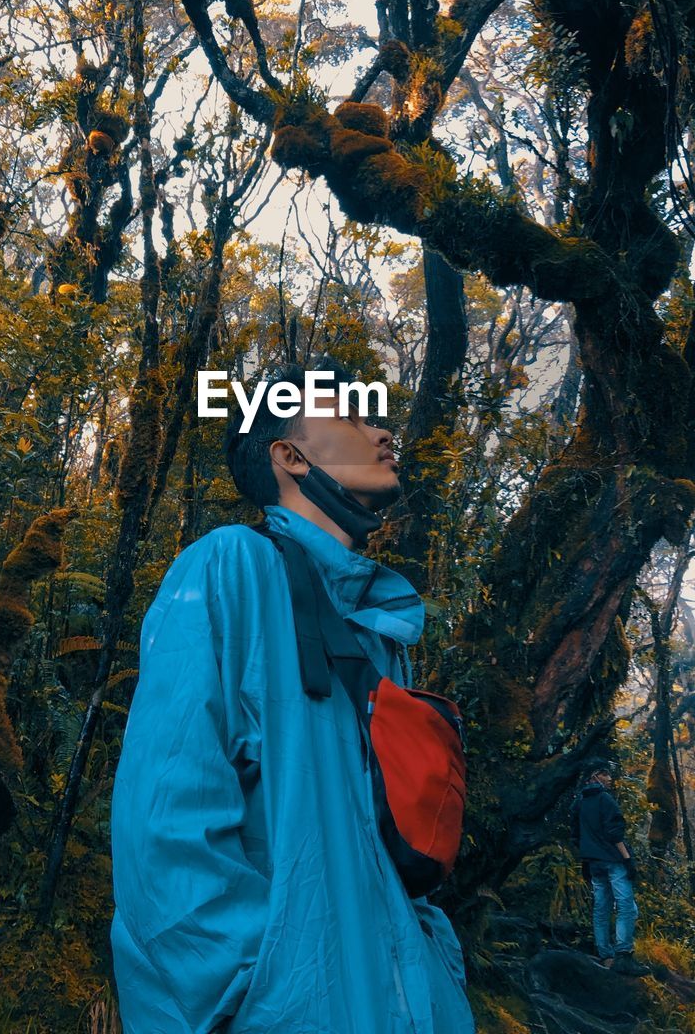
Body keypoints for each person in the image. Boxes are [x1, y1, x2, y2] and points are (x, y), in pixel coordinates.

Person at [110, 358, 475, 1033]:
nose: (381, 431)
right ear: (290, 457)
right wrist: (258, 992)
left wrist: (438, 980)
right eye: (353, 415)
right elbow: (163, 821)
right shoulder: (229, 568)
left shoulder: (378, 627)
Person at [572, 760, 648, 976]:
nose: (609, 778)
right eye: (605, 774)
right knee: (625, 906)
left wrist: (586, 859)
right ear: (594, 776)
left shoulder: (578, 803)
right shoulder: (605, 799)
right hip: (613, 861)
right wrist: (627, 860)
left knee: (601, 908)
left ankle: (606, 956)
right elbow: (615, 833)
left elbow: (576, 836)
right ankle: (624, 955)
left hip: (593, 864)